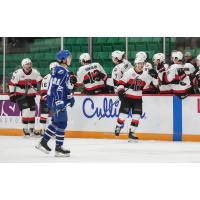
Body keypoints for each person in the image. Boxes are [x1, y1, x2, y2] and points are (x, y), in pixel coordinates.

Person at [36, 50, 75, 157]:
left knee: (57, 122)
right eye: (68, 57)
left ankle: (43, 142)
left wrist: (69, 97)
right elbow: (55, 88)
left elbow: (64, 87)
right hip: (56, 100)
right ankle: (58, 148)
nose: (70, 59)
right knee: (62, 122)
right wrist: (58, 101)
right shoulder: (61, 71)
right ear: (63, 59)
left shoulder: (63, 70)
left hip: (58, 100)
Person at [114, 56, 154, 142]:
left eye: (142, 64)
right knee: (123, 115)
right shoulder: (129, 72)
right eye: (139, 63)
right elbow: (121, 82)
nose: (141, 65)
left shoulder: (145, 75)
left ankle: (132, 132)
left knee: (137, 116)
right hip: (127, 98)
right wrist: (120, 91)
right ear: (135, 64)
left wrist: (154, 78)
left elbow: (147, 87)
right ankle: (118, 126)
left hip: (138, 99)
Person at [8, 58, 42, 137]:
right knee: (26, 111)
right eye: (27, 64)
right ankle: (25, 129)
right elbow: (11, 84)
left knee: (33, 111)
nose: (29, 66)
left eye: (30, 64)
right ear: (23, 66)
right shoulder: (17, 73)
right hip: (21, 95)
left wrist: (42, 90)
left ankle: (32, 129)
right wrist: (12, 94)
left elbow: (41, 81)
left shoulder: (35, 72)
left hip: (31, 95)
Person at [36, 62, 59, 135]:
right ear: (50, 69)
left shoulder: (60, 77)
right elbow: (44, 90)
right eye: (53, 69)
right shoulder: (47, 77)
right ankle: (42, 130)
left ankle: (53, 131)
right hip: (46, 98)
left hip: (56, 99)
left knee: (56, 115)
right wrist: (45, 96)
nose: (55, 70)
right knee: (44, 114)